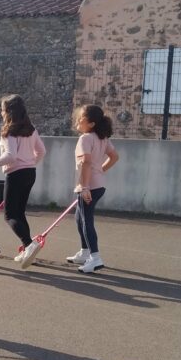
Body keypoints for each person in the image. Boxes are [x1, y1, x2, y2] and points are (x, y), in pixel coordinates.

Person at [0, 94, 45, 267]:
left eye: (3, 110)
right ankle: (27, 248)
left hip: (16, 174)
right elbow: (42, 151)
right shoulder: (31, 129)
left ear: (9, 111)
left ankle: (29, 244)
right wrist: (29, 163)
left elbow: (10, 156)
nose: (1, 113)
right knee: (19, 213)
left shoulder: (9, 131)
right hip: (30, 173)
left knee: (10, 215)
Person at [68, 104, 119, 273]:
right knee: (79, 218)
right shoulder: (102, 138)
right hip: (98, 185)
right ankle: (84, 252)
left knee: (86, 221)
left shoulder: (86, 138)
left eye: (81, 118)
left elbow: (86, 162)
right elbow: (114, 157)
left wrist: (84, 187)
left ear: (91, 123)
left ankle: (95, 258)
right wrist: (101, 171)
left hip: (89, 186)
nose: (78, 120)